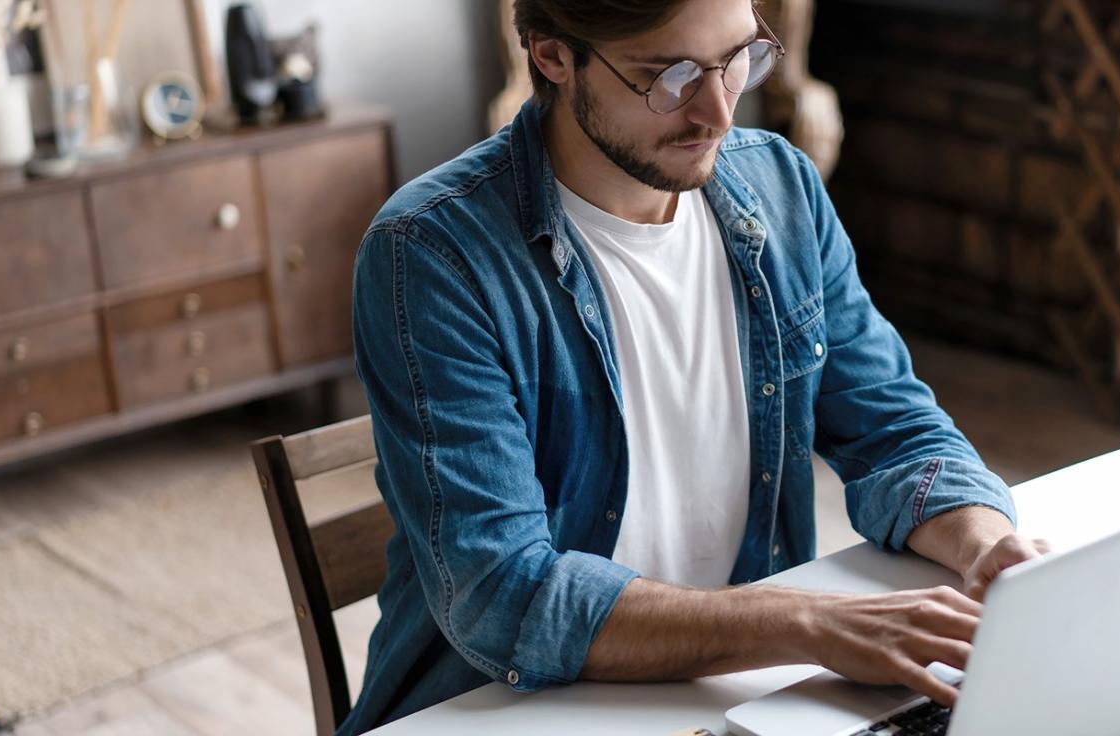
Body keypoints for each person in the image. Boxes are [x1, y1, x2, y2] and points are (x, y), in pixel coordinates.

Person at [340, 1, 1049, 732]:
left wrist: (988, 546)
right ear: (553, 56)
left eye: (737, 58)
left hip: (725, 697)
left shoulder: (781, 187)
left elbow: (896, 430)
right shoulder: (433, 254)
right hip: (502, 710)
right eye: (669, 75)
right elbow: (504, 594)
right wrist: (809, 623)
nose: (718, 112)